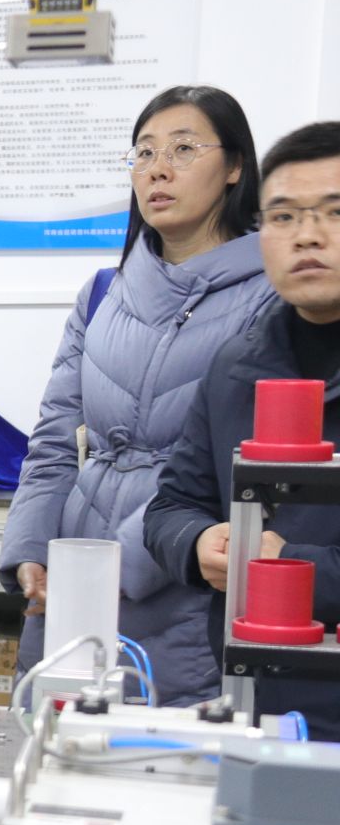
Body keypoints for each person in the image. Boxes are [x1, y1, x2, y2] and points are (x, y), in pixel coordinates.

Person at [2, 87, 268, 703]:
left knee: (165, 752)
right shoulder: (103, 293)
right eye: (144, 153)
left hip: (184, 578)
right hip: (70, 580)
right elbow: (54, 441)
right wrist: (32, 551)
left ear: (234, 166)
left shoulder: (269, 299)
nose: (158, 169)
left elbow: (241, 468)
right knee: (55, 745)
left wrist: (116, 565)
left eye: (184, 149)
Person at [146, 120, 340, 740]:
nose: (307, 235)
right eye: (283, 217)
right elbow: (172, 505)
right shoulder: (238, 364)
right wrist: (199, 542)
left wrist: (290, 568)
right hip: (257, 703)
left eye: (334, 212)